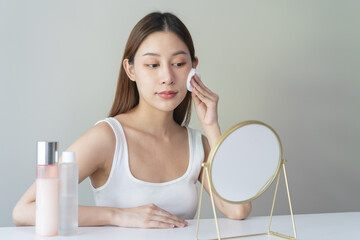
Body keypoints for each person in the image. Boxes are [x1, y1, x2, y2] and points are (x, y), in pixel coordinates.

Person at [12, 12, 251, 229]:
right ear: (131, 70)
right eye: (152, 65)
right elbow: (24, 211)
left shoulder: (197, 143)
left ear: (193, 68)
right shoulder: (107, 138)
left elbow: (238, 209)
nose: (167, 77)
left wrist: (211, 126)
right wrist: (118, 215)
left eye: (178, 63)